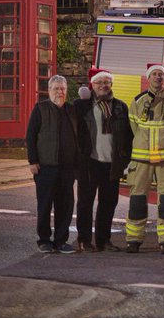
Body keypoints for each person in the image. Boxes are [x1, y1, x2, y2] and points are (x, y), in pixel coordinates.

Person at [74, 67, 132, 252]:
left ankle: (103, 240)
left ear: (111, 84)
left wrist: (126, 161)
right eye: (99, 83)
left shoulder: (121, 106)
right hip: (89, 161)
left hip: (112, 163)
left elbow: (128, 136)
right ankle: (83, 239)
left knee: (108, 203)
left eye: (107, 82)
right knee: (85, 202)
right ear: (92, 85)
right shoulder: (81, 106)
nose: (103, 86)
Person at [127, 63, 164, 254]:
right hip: (142, 159)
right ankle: (133, 240)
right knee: (137, 199)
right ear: (148, 78)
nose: (158, 77)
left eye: (161, 75)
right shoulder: (138, 101)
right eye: (155, 74)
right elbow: (133, 128)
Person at [25, 74, 83, 254]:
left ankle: (61, 241)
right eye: (56, 88)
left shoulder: (72, 110)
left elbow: (79, 137)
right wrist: (32, 161)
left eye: (63, 89)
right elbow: (30, 136)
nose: (60, 92)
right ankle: (44, 240)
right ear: (49, 90)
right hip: (45, 167)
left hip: (67, 168)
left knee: (65, 206)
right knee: (45, 205)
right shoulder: (40, 109)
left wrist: (77, 166)